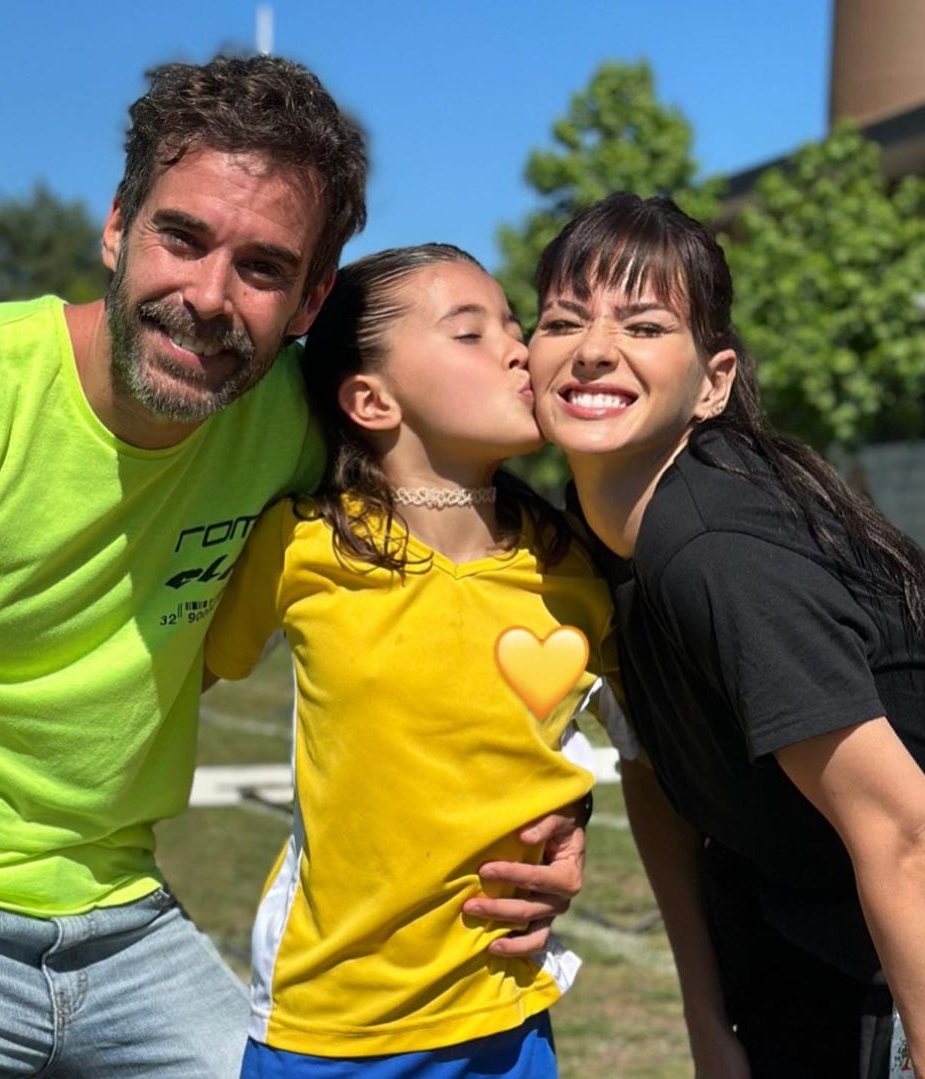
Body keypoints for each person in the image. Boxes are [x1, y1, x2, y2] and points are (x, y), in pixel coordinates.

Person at [0, 54, 367, 1077]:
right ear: (119, 224)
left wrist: (540, 820)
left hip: (129, 921)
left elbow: (458, 551)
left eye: (263, 268)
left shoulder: (299, 429)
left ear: (310, 300)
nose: (208, 297)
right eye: (183, 236)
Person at [527, 192, 925, 1078]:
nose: (594, 349)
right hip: (795, 937)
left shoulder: (711, 543)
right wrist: (706, 1016)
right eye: (562, 320)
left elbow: (904, 833)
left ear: (713, 382)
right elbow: (655, 773)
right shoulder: (595, 528)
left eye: (643, 324)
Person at [202, 243, 624, 1077]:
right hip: (328, 1030)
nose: (520, 348)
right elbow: (173, 676)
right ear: (370, 398)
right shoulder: (300, 548)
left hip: (510, 1020)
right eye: (471, 333)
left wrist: (573, 814)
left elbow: (656, 749)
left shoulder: (577, 568)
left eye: (515, 324)